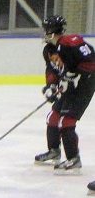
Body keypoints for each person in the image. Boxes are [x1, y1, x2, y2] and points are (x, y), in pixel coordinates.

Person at [35, 15, 93, 176]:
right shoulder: (49, 50)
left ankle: (74, 159)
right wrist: (52, 85)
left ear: (52, 31)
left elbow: (90, 61)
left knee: (66, 121)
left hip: (84, 86)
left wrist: (75, 76)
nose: (44, 33)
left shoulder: (70, 43)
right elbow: (52, 69)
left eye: (46, 30)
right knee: (52, 117)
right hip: (70, 86)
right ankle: (54, 151)